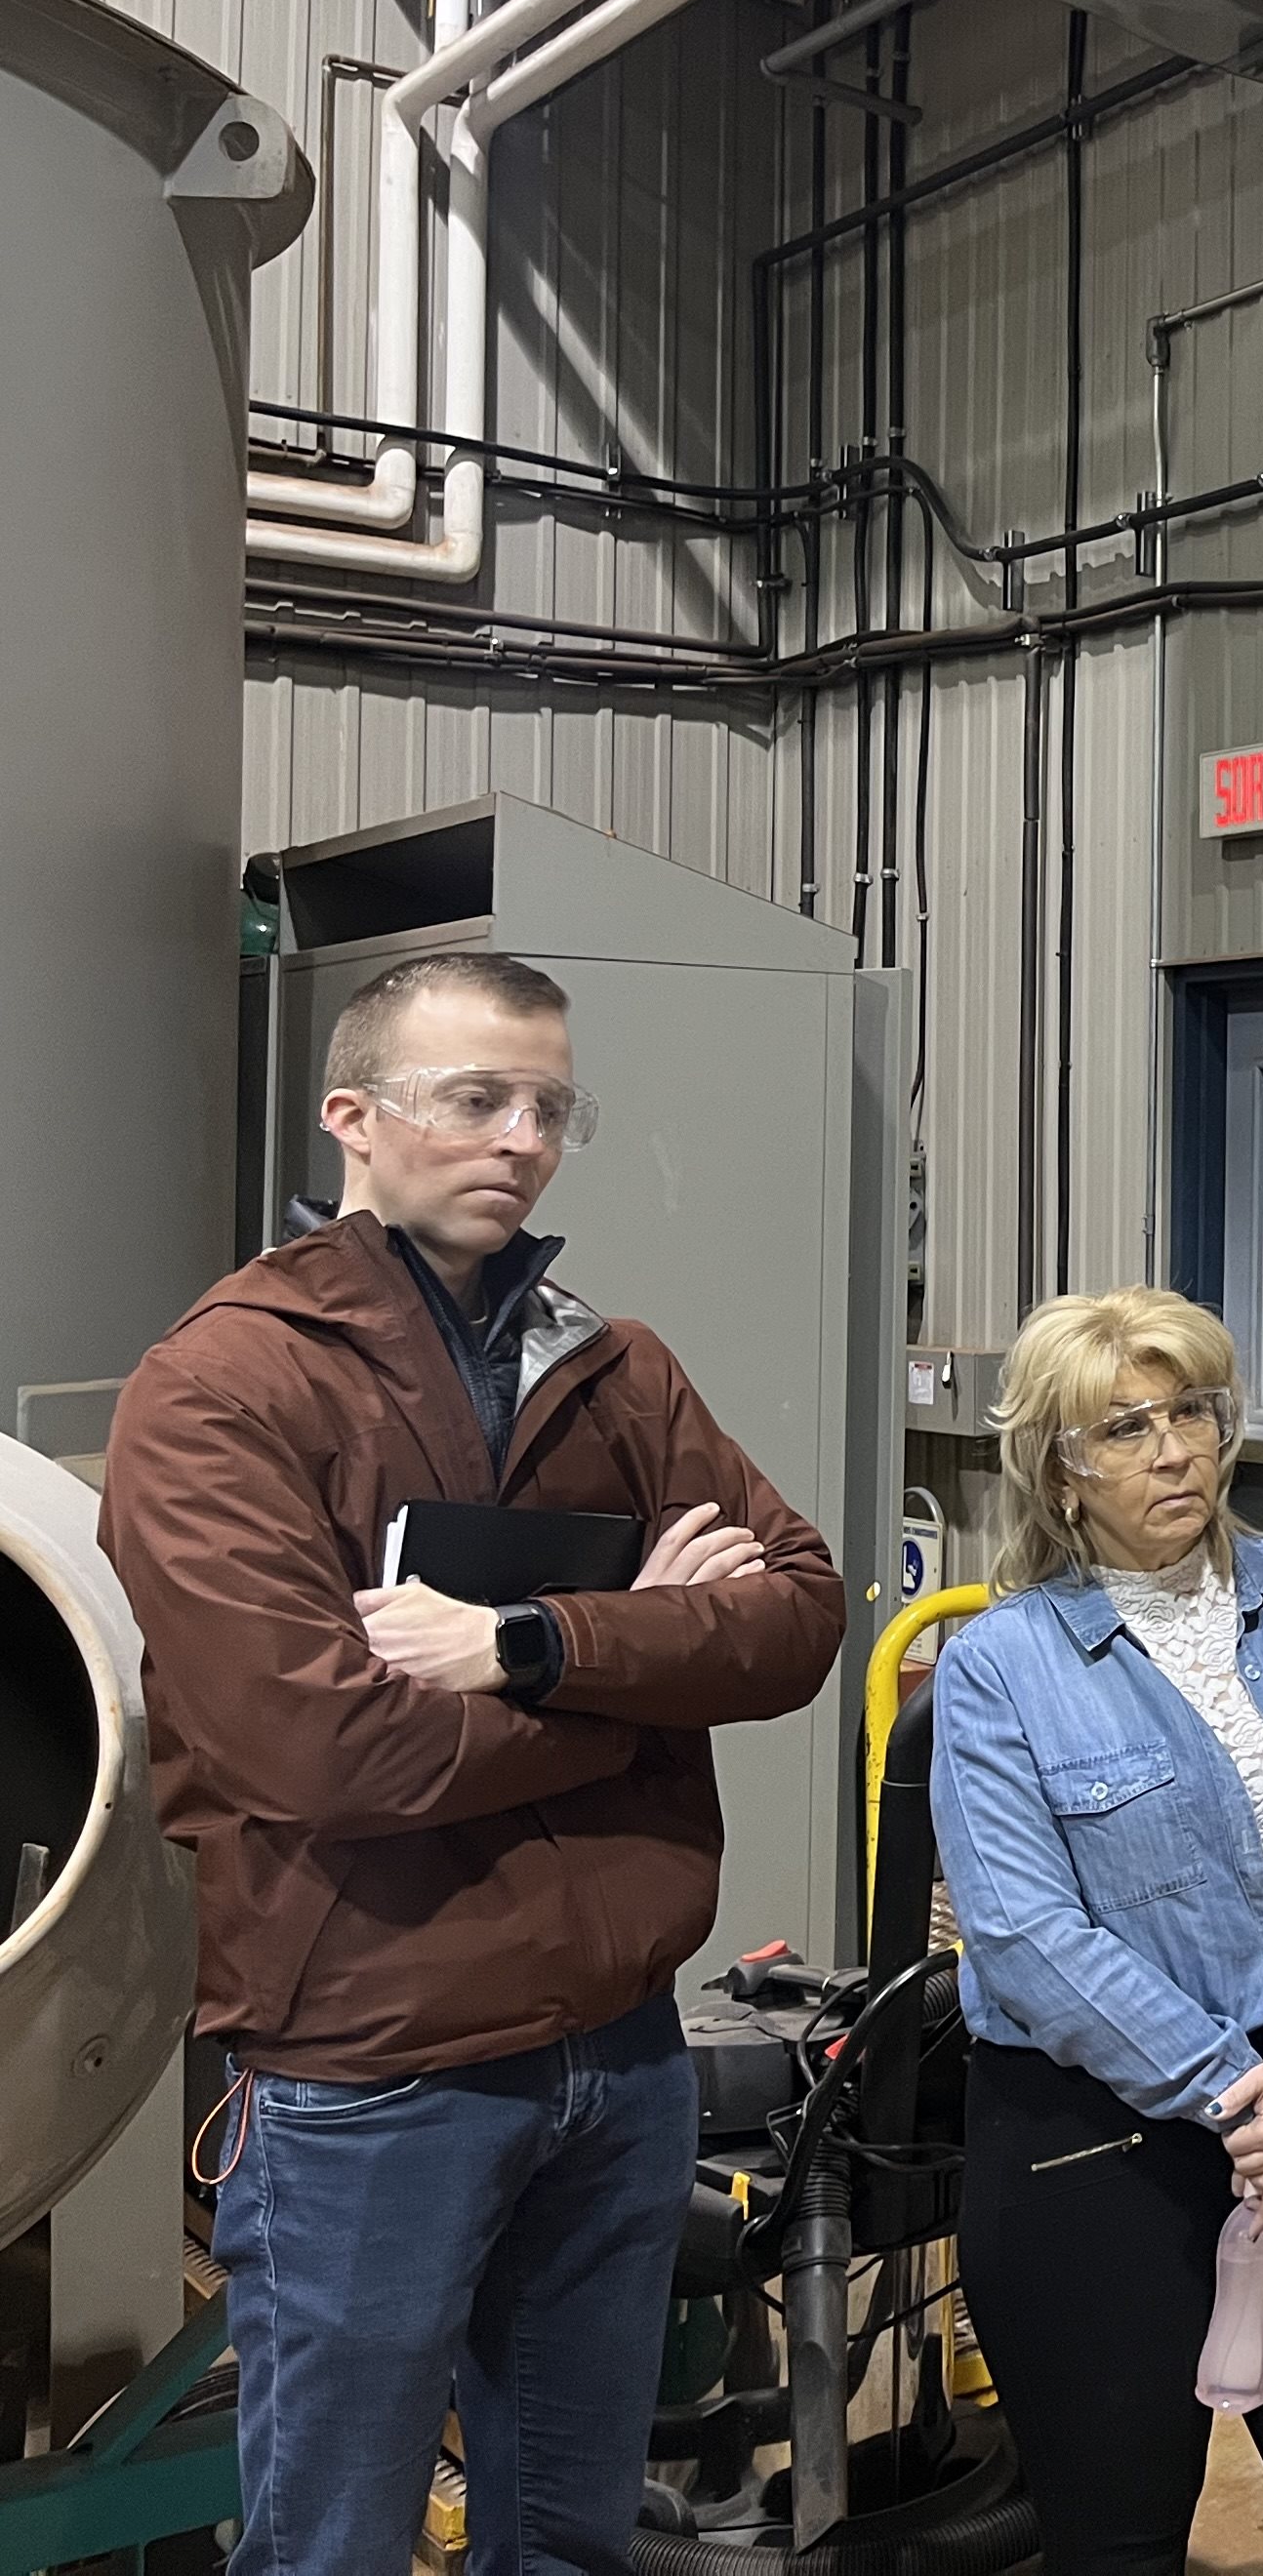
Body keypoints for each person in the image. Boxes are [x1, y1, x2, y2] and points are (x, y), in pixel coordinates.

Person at [99, 948, 846, 2576]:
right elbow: (324, 1749)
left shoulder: (616, 1367)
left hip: (622, 2053)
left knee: (571, 2535)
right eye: (475, 1099)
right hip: (378, 2063)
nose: (521, 1139)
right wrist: (652, 1665)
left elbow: (798, 1618)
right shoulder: (223, 1386)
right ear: (351, 1117)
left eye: (551, 1109)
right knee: (333, 2544)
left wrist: (532, 1644)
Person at [930, 1287, 1263, 2574]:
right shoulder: (1002, 1666)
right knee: (1122, 2545)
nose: (1172, 1452)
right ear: (1060, 1472)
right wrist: (1241, 2100)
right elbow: (1024, 1937)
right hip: (1094, 2150)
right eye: (1124, 1429)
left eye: (1190, 1414)